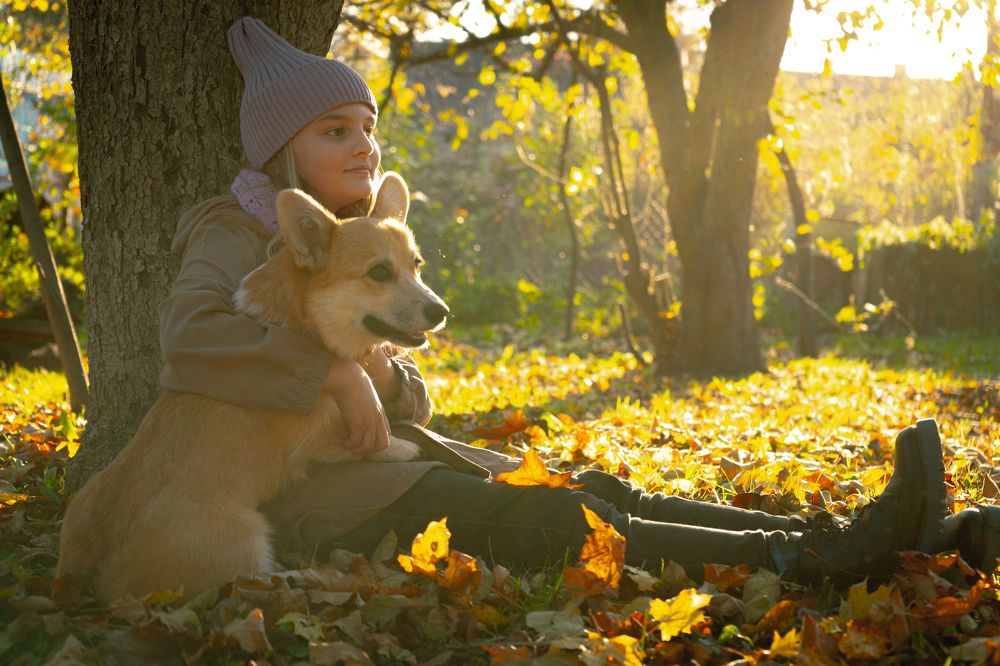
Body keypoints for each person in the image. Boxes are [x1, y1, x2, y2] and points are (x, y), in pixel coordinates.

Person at [159, 16, 997, 591]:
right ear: (282, 151)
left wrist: (379, 374)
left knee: (596, 488)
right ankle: (820, 561)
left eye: (365, 124)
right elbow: (191, 336)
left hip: (388, 459)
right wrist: (331, 378)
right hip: (305, 501)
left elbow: (395, 391)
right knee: (563, 521)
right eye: (332, 130)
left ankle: (894, 541)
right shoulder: (234, 230)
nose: (363, 144)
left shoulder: (361, 242)